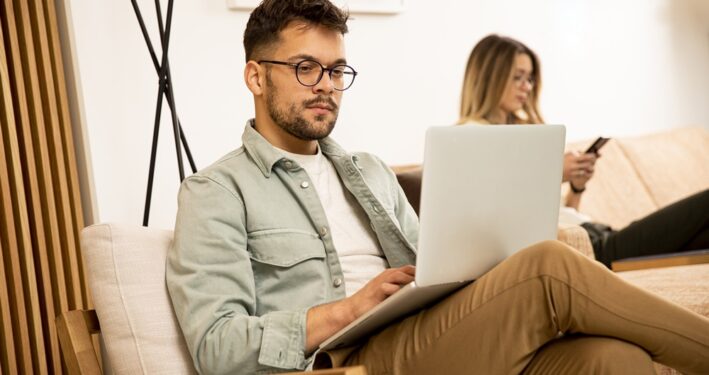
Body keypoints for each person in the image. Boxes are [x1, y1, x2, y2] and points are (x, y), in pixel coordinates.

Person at [166, 3, 709, 374]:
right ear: (256, 77)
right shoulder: (216, 191)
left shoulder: (369, 171)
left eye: (336, 71)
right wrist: (346, 310)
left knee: (614, 359)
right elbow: (217, 346)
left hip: (426, 336)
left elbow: (435, 266)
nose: (327, 87)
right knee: (549, 265)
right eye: (306, 69)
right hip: (353, 362)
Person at [458, 34, 709, 268]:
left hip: (595, 233)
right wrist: (554, 172)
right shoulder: (471, 135)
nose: (527, 86)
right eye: (518, 77)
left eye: (530, 78)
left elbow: (555, 214)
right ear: (490, 76)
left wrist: (576, 187)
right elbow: (495, 211)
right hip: (593, 249)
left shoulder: (524, 133)